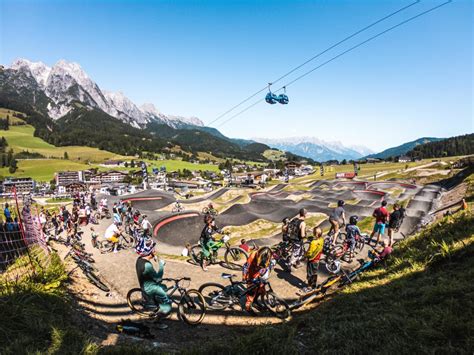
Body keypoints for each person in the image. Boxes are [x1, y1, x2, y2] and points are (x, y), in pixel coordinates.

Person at [135, 239, 171, 329]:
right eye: (153, 250)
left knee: (164, 287)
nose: (155, 251)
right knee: (168, 306)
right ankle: (157, 322)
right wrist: (161, 265)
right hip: (151, 288)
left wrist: (154, 257)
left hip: (145, 284)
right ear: (149, 252)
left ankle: (156, 304)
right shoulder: (147, 266)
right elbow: (158, 279)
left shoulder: (140, 260)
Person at [242, 247, 275, 311]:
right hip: (251, 275)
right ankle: (248, 307)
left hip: (260, 274)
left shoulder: (269, 254)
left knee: (261, 289)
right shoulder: (253, 255)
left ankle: (255, 301)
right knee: (251, 292)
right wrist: (244, 278)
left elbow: (272, 261)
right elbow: (245, 267)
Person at [303, 227, 324, 292]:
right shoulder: (321, 240)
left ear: (315, 234)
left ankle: (309, 287)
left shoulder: (313, 243)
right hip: (317, 260)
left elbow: (309, 252)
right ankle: (314, 285)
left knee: (309, 274)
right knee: (314, 273)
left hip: (312, 260)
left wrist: (305, 255)